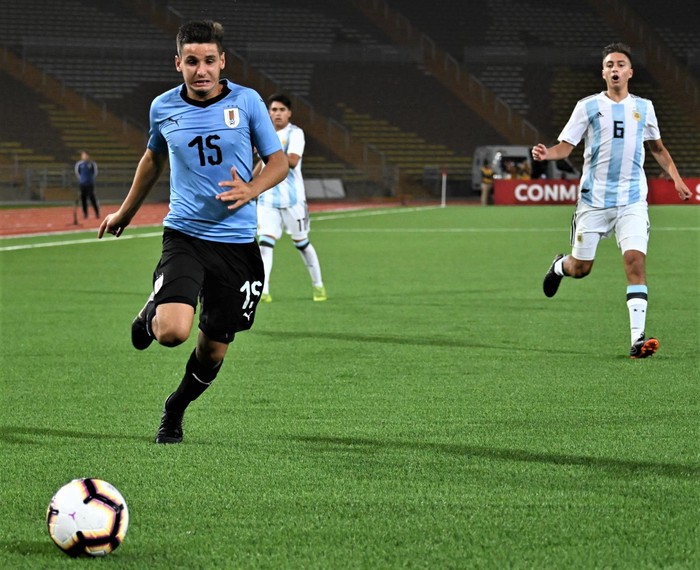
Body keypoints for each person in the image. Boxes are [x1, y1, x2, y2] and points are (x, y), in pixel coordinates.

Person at [97, 20, 288, 443]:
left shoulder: (249, 102)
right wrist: (125, 212)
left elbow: (278, 162)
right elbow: (152, 158)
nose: (200, 70)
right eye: (191, 61)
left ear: (222, 62)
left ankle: (175, 408)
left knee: (212, 350)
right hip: (185, 234)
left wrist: (252, 189)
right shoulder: (162, 107)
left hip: (237, 246)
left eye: (208, 61)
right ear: (177, 63)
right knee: (172, 332)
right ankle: (154, 314)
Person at [532, 42, 691, 359]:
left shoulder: (644, 108)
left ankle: (637, 341)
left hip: (632, 200)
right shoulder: (588, 106)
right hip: (594, 202)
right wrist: (548, 153)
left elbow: (657, 148)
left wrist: (676, 178)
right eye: (609, 64)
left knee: (635, 264)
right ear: (603, 72)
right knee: (581, 268)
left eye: (620, 64)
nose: (615, 68)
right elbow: (566, 146)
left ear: (630, 72)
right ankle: (559, 266)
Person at [255, 93, 327, 302]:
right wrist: (249, 186)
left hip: (293, 200)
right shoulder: (263, 134)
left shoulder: (295, 133)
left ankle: (318, 285)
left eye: (281, 110)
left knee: (301, 243)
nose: (277, 114)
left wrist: (266, 152)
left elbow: (292, 161)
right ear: (268, 112)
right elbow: (261, 165)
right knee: (265, 244)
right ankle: (264, 291)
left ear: (289, 113)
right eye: (274, 110)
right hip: (268, 200)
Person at [74, 150, 100, 218]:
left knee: (92, 198)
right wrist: (82, 179)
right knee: (83, 199)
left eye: (85, 155)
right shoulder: (79, 164)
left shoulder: (92, 164)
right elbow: (78, 173)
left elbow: (94, 173)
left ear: (88, 156)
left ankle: (97, 212)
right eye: (83, 155)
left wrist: (90, 179)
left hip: (90, 184)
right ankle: (85, 214)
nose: (84, 156)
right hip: (82, 184)